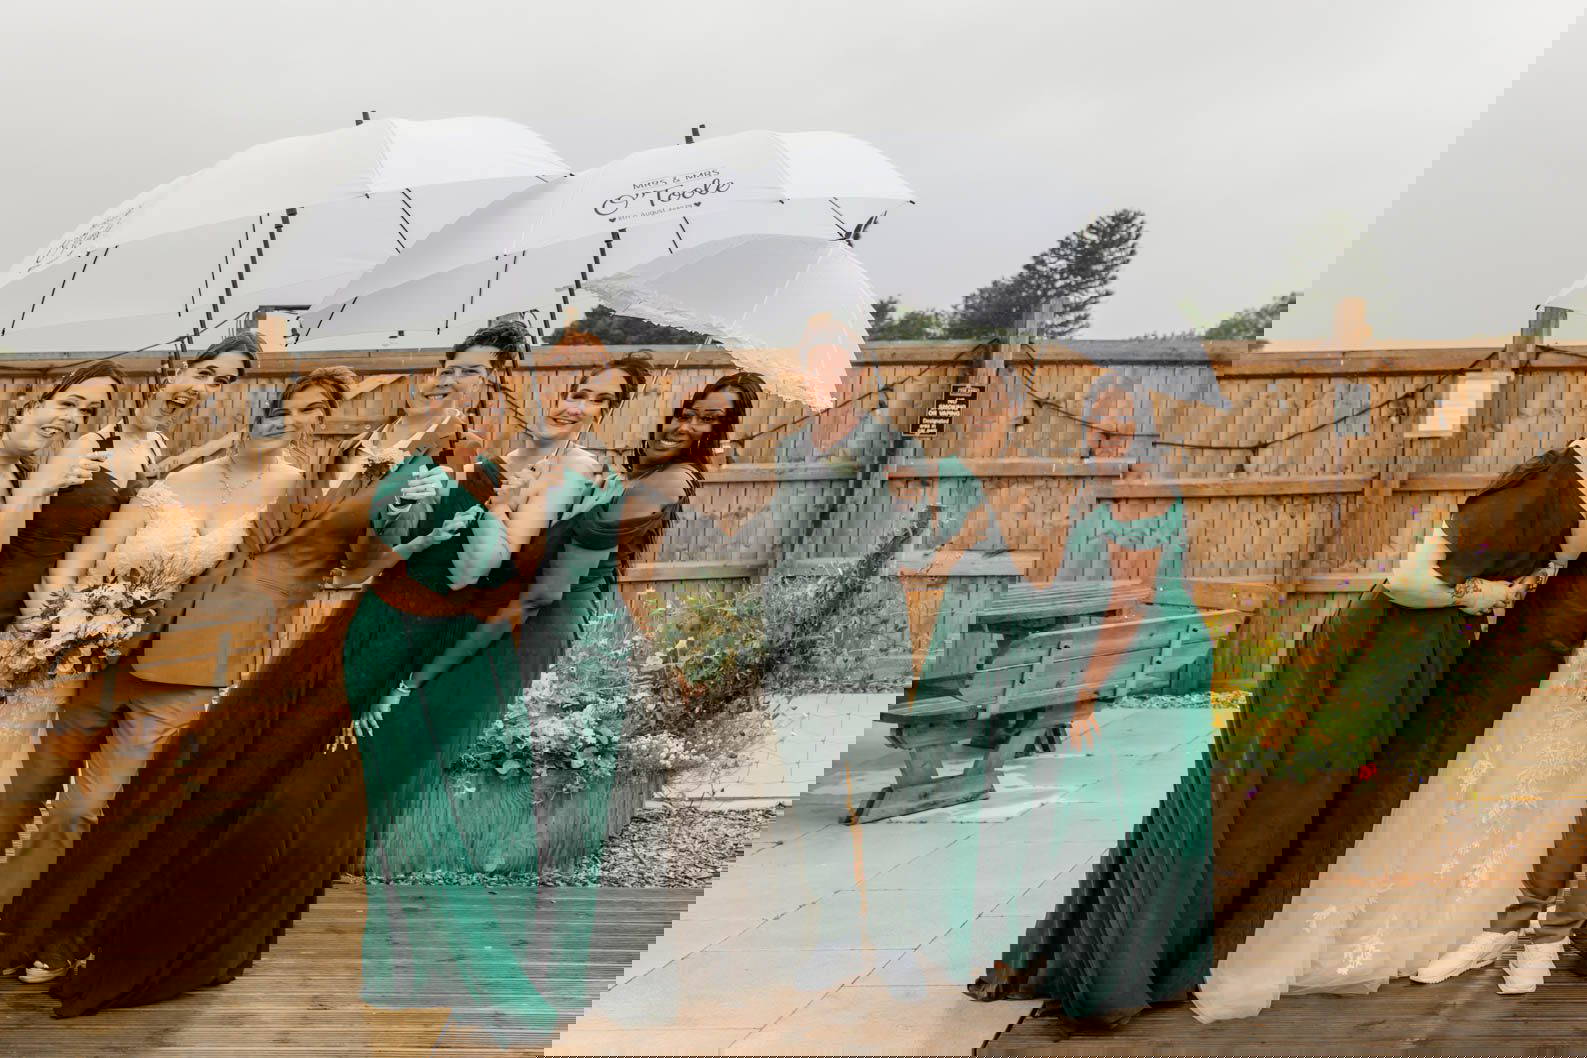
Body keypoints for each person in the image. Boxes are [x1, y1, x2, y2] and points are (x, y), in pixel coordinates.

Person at [3, 366, 760, 1022]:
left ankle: (138, 939)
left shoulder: (602, 481)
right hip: (380, 621)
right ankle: (69, 922)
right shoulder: (531, 463)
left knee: (270, 789)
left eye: (708, 417)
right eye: (572, 390)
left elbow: (504, 583)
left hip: (424, 647)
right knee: (218, 763)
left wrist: (478, 525)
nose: (570, 405)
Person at [965, 437, 1587, 1033]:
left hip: (1410, 662)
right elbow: (1411, 581)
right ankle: (1125, 962)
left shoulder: (1567, 492)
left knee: (1299, 812)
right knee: (1264, 805)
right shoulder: (1556, 486)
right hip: (1370, 662)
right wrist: (1498, 593)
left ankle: (1149, 947)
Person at [0, 366, 359, 982]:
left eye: (306, 417)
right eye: (283, 407)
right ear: (258, 409)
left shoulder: (296, 496)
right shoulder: (178, 477)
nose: (288, 422)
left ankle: (22, 921)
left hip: (194, 673)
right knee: (27, 787)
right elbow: (81, 562)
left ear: (315, 430)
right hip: (113, 655)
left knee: (82, 808)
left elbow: (302, 575)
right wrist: (52, 630)